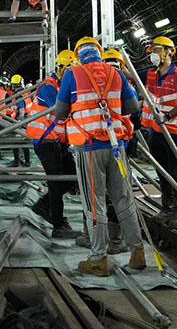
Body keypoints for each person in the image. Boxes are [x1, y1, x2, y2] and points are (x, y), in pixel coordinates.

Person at [56, 36, 146, 276]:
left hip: (89, 148)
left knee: (94, 203)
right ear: (99, 53)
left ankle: (98, 259)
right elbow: (133, 107)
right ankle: (137, 253)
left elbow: (60, 111)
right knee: (123, 199)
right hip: (117, 146)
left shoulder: (72, 74)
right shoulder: (116, 73)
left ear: (79, 55)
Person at [138, 37, 177, 225]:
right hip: (156, 131)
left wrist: (167, 116)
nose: (154, 54)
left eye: (157, 50)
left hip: (174, 132)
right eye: (152, 51)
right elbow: (131, 76)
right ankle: (166, 208)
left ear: (170, 52)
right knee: (162, 171)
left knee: (176, 172)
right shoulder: (151, 74)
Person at [28, 49, 79, 238]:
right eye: (70, 71)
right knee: (56, 181)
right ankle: (58, 225)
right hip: (46, 141)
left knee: (72, 179)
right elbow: (62, 110)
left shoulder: (62, 85)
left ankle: (43, 205)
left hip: (59, 141)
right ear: (61, 69)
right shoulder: (49, 87)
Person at [9, 73, 31, 166]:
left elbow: (21, 110)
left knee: (16, 141)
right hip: (27, 120)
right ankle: (27, 161)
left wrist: (18, 122)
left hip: (21, 121)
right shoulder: (25, 93)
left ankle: (17, 161)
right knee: (24, 141)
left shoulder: (19, 95)